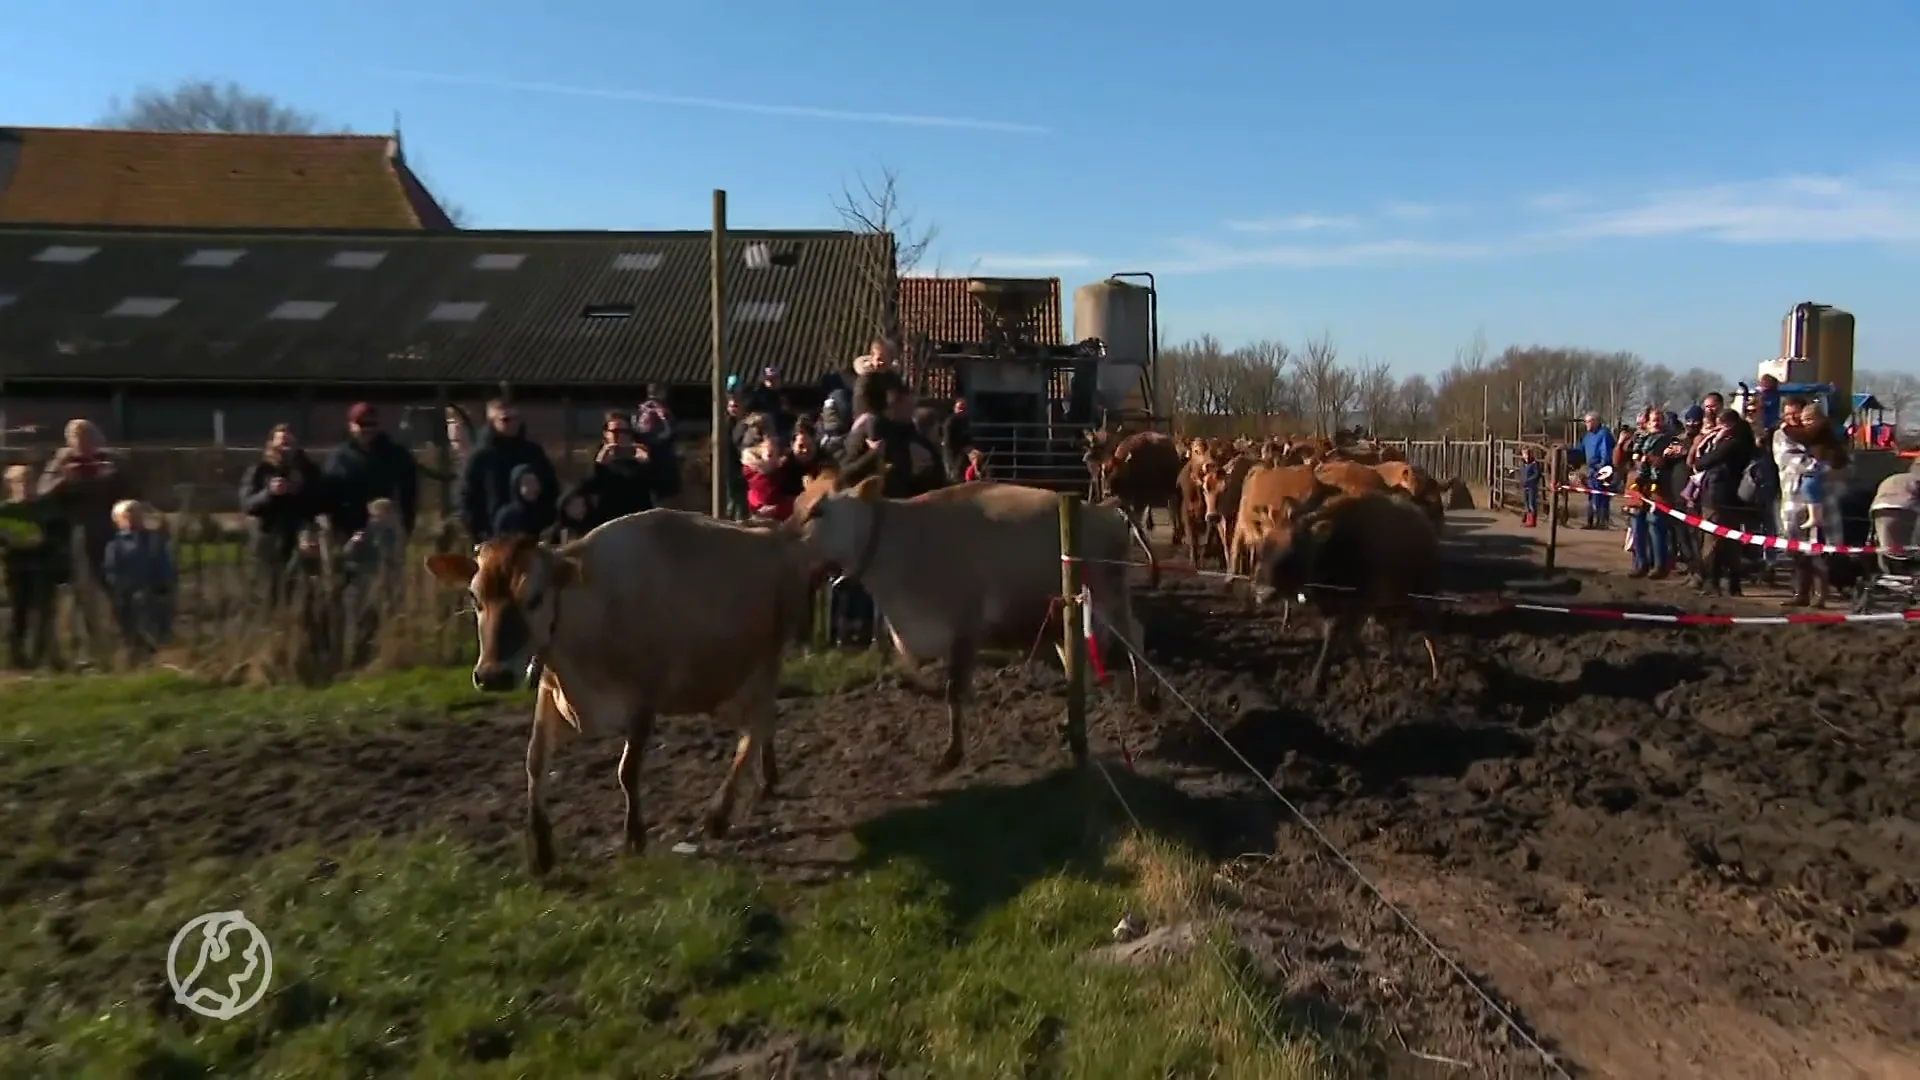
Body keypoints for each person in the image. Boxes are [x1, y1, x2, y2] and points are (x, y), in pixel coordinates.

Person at [1772, 396, 1849, 607]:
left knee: (1820, 548)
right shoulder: (1782, 435)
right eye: (1787, 414)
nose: (1792, 418)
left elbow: (1842, 460)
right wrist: (1826, 469)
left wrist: (1834, 468)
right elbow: (1794, 462)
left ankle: (1820, 594)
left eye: (1795, 413)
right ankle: (1800, 592)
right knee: (1797, 550)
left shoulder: (1823, 435)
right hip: (1794, 499)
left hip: (1823, 500)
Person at [239, 423, 323, 604]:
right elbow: (248, 504)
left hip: (300, 538)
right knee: (269, 592)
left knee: (301, 591)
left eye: (289, 440)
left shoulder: (309, 470)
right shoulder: (260, 470)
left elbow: (322, 502)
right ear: (271, 444)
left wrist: (301, 489)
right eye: (281, 440)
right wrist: (269, 492)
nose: (285, 445)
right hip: (268, 540)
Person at [458, 399, 557, 545]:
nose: (513, 424)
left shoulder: (532, 453)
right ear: (491, 421)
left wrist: (545, 526)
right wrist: (480, 535)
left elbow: (550, 489)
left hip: (532, 538)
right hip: (492, 538)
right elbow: (468, 499)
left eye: (516, 418)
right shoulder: (480, 457)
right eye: (506, 419)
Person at [2, 463, 67, 668]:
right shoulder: (6, 510)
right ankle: (17, 659)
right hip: (17, 567)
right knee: (18, 613)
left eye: (28, 480)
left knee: (42, 614)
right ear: (10, 485)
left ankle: (40, 658)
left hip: (43, 567)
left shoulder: (47, 508)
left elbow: (61, 537)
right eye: (19, 481)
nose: (24, 485)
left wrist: (44, 542)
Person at [324, 403, 420, 540]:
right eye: (362, 424)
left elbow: (409, 494)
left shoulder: (395, 455)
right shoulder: (339, 458)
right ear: (351, 425)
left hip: (385, 534)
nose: (368, 429)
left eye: (372, 424)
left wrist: (406, 526)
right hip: (349, 534)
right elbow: (328, 496)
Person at [100, 499, 176, 657]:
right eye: (127, 516)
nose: (133, 519)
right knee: (133, 626)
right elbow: (112, 570)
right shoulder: (116, 545)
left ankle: (158, 650)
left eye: (136, 515)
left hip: (153, 590)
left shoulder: (153, 540)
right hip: (128, 594)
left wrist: (164, 582)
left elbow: (163, 562)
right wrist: (121, 587)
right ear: (118, 521)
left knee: (156, 624)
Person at [491, 465, 557, 539]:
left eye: (535, 482)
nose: (532, 487)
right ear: (517, 486)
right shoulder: (507, 516)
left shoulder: (548, 512)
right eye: (527, 483)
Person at [1578, 413, 1615, 528]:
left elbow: (1606, 452)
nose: (1586, 424)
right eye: (1585, 422)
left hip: (1601, 469)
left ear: (1595, 422)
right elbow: (1580, 449)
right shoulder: (1587, 436)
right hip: (1591, 469)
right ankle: (1590, 521)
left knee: (1601, 494)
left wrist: (1601, 466)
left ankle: (1601, 521)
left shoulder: (1603, 434)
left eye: (1588, 421)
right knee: (1592, 495)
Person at [1519, 447, 1543, 528]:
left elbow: (1536, 474)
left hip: (1531, 486)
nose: (1526, 456)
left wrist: (1529, 481)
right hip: (1524, 486)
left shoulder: (1534, 463)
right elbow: (1521, 474)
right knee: (1526, 502)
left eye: (1528, 454)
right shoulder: (1522, 464)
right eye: (1524, 454)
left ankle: (1532, 521)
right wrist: (1522, 481)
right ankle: (1527, 520)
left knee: (1531, 503)